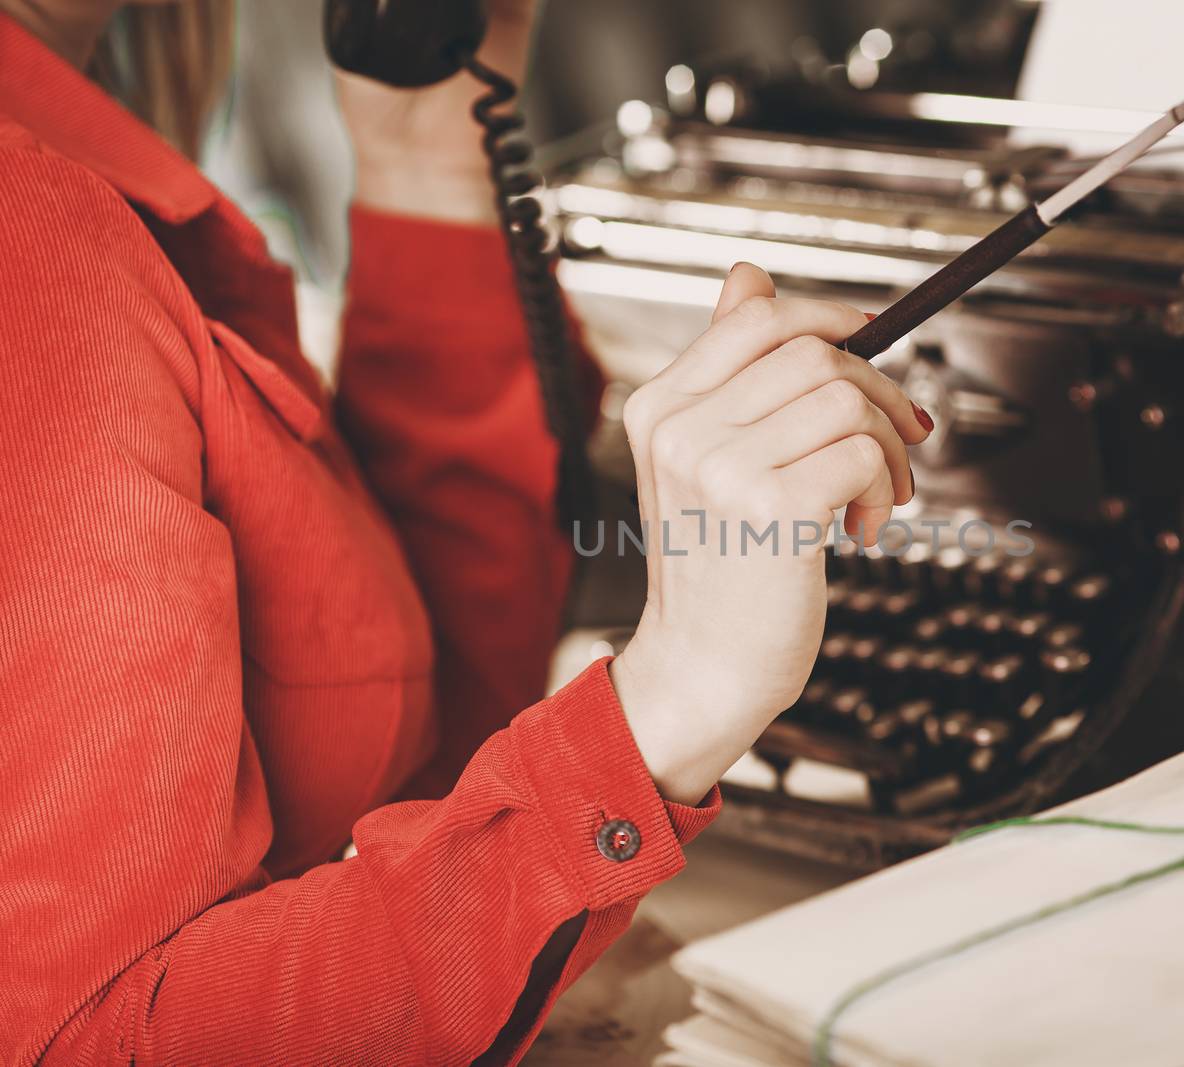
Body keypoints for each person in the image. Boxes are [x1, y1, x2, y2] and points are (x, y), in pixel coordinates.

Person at [0, 1, 931, 1061]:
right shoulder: (21, 237)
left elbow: (410, 765)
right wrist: (674, 699)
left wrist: (428, 152)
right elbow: (91, 1038)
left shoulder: (72, 168)